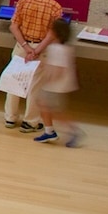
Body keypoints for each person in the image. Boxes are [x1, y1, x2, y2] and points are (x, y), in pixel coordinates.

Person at [4, 0, 62, 133]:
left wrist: (26, 47)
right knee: (36, 86)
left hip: (22, 48)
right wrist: (36, 50)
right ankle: (30, 122)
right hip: (41, 51)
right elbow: (52, 33)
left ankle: (10, 117)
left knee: (14, 80)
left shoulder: (24, 1)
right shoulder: (56, 7)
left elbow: (14, 26)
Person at [31, 17, 81, 147]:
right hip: (57, 86)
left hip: (55, 86)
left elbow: (58, 69)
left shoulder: (57, 49)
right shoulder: (64, 48)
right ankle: (49, 131)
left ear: (54, 32)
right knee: (43, 105)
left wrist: (46, 79)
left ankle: (73, 131)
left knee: (55, 111)